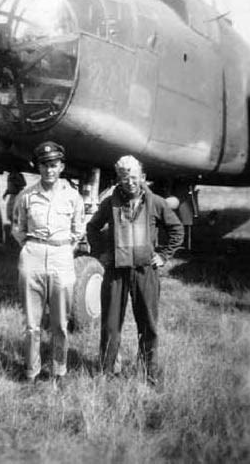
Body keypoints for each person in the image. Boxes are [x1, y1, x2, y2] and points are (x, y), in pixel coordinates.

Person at [86, 155, 184, 386]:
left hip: (145, 271)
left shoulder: (156, 202)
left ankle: (150, 373)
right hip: (116, 273)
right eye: (123, 177)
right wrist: (101, 253)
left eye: (133, 177)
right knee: (110, 325)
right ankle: (107, 372)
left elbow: (176, 229)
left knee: (148, 324)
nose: (129, 182)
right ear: (118, 179)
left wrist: (163, 255)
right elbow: (92, 227)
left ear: (142, 177)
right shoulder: (110, 203)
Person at [12, 141, 85, 384]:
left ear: (62, 166)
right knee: (32, 324)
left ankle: (59, 371)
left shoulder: (73, 197)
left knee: (60, 323)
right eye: (44, 165)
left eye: (53, 165)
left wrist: (63, 249)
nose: (49, 170)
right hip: (32, 256)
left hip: (61, 257)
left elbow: (78, 230)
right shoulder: (26, 196)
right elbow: (18, 228)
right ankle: (31, 372)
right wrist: (33, 247)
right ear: (38, 167)